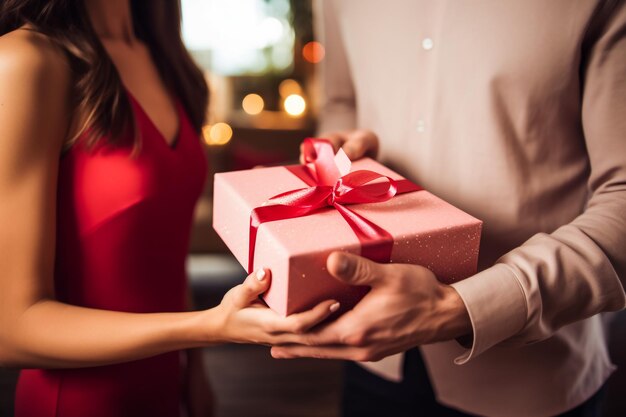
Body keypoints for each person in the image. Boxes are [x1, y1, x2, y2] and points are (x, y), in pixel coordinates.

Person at [272, 1, 626, 416]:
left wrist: (458, 308)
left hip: (530, 377)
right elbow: (341, 103)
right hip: (371, 352)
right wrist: (343, 153)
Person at [0, 1, 340, 416]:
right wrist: (209, 328)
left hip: (166, 389)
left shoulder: (159, 54)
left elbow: (161, 245)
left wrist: (193, 368)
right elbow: (10, 330)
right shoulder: (26, 59)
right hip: (78, 402)